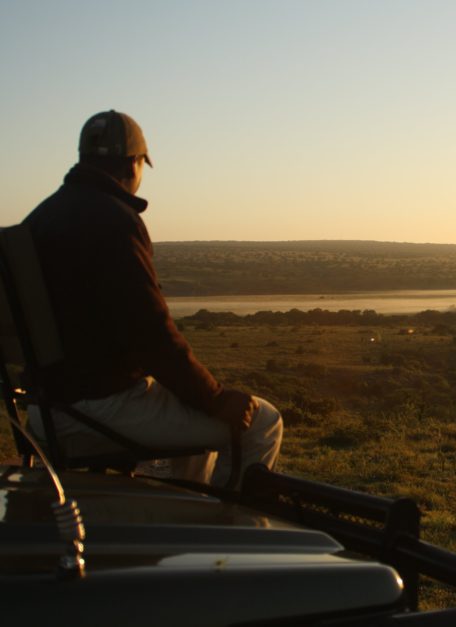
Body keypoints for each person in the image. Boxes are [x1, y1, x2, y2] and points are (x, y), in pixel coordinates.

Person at [22, 110, 282, 486]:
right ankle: (229, 534)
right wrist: (215, 397)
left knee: (189, 401)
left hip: (42, 409)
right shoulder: (115, 220)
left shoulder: (40, 218)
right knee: (263, 422)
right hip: (95, 410)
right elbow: (151, 334)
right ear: (134, 162)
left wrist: (202, 395)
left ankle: (191, 509)